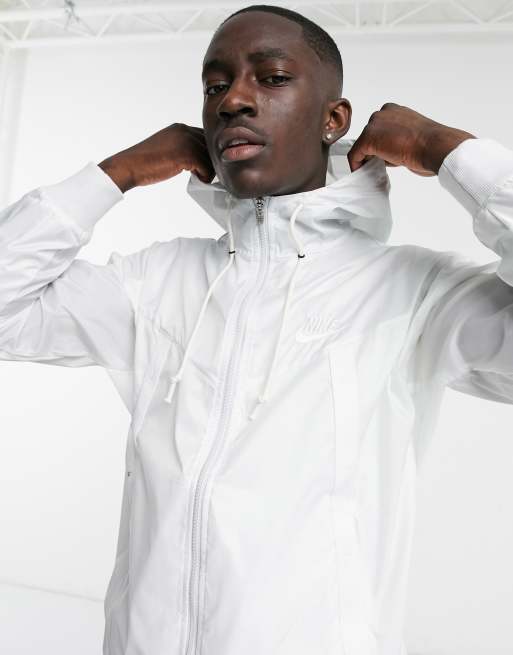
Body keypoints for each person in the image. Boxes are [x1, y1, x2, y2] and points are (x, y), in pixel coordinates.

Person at [1, 4, 513, 654]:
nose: (233, 100)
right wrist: (115, 173)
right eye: (214, 85)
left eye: (270, 78)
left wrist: (451, 152)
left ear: (333, 119)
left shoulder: (413, 295)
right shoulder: (157, 281)